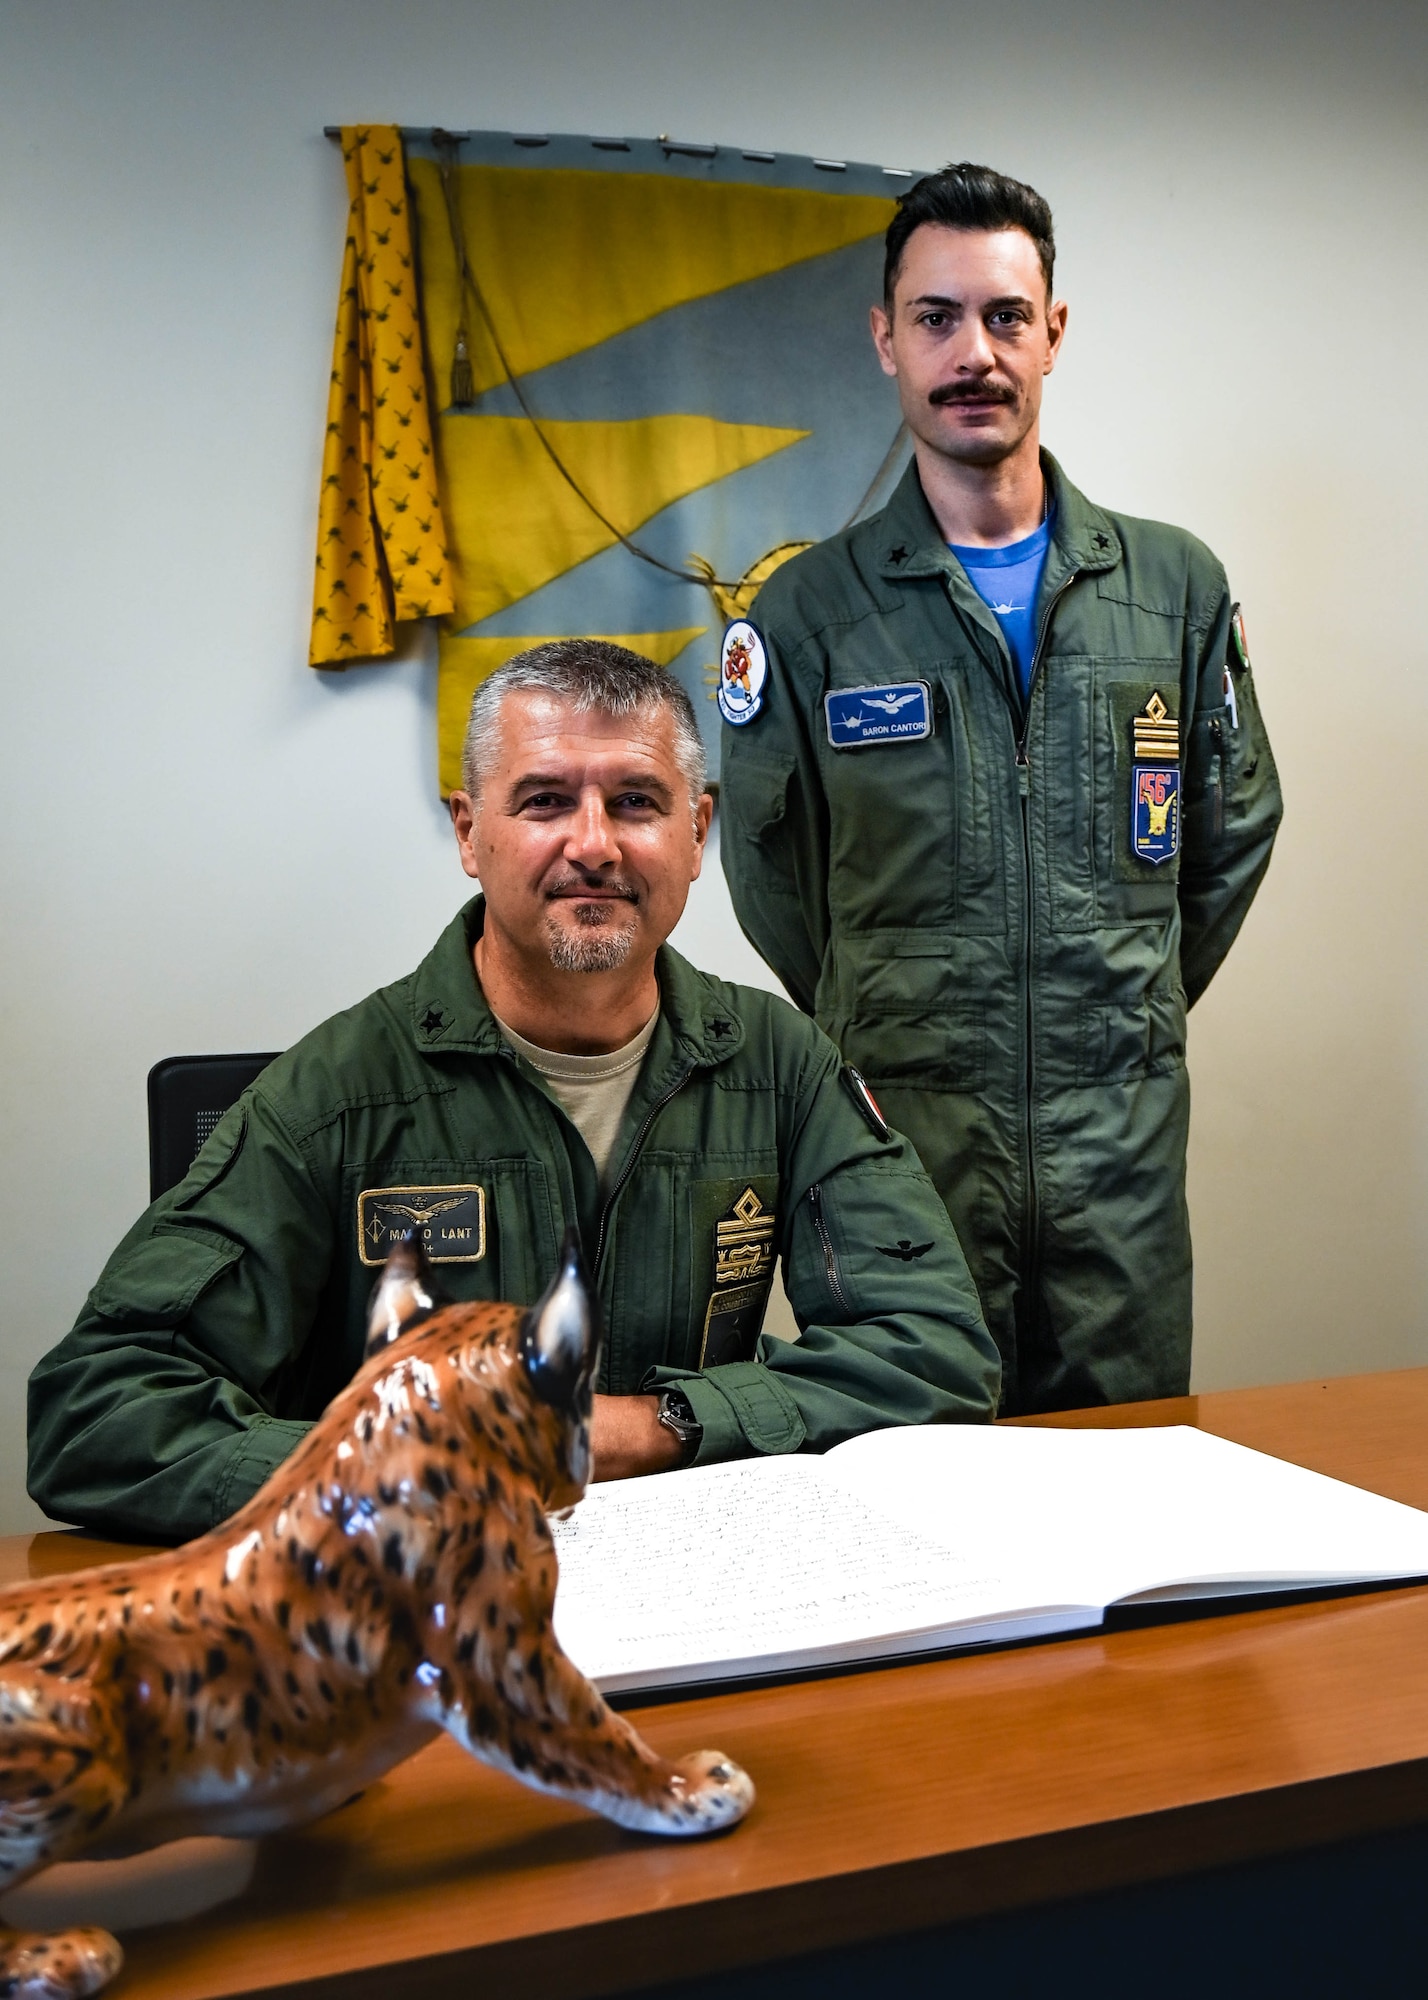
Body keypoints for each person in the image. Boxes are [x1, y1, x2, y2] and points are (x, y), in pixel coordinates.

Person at [28, 643, 999, 1543]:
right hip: (415, 1609)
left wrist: (647, 1425)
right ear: (468, 830)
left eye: (635, 801)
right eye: (543, 801)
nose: (594, 844)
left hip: (697, 1580)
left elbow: (938, 1354)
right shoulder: (335, 1094)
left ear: (697, 831)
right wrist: (412, 1466)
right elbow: (98, 1411)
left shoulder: (780, 1061)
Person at [719, 163, 1283, 1415]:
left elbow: (1232, 826)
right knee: (911, 1502)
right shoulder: (810, 613)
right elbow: (771, 869)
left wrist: (1115, 987)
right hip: (898, 1145)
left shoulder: (1174, 589)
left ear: (1054, 332)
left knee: (1128, 1489)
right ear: (885, 339)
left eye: (1004, 316)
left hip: (1118, 1156)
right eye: (935, 317)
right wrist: (907, 1003)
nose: (972, 351)